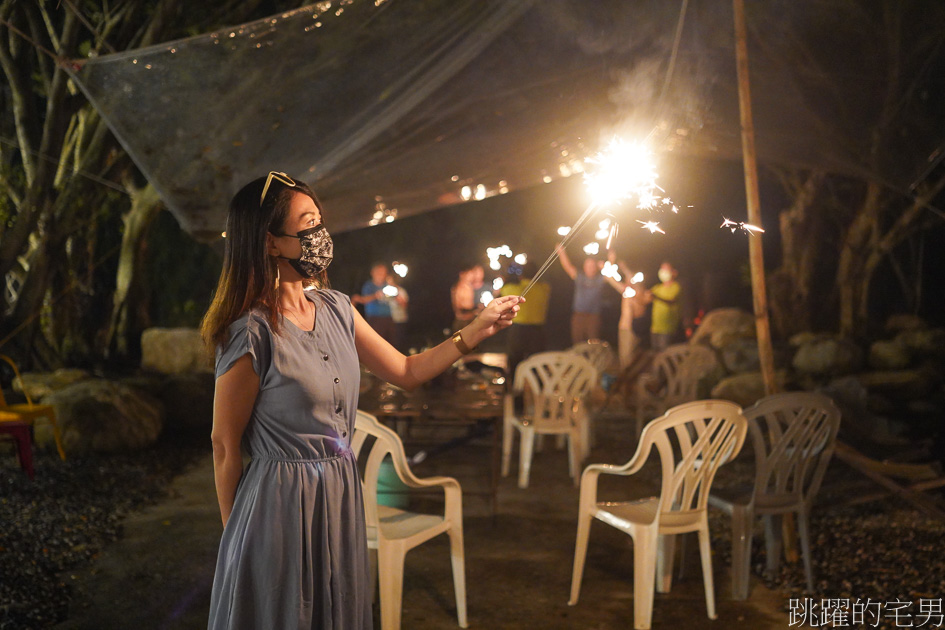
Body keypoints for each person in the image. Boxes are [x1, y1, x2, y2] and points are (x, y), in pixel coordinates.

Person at [200, 171, 522, 630]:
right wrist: (238, 541)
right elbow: (225, 445)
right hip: (278, 505)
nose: (320, 234)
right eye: (308, 222)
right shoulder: (251, 332)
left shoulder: (337, 308)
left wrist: (476, 331)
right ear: (271, 242)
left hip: (339, 491)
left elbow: (408, 372)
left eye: (320, 220)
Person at [499, 261, 550, 380]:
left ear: (521, 275)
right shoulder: (545, 288)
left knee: (515, 362)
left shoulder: (511, 289)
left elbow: (504, 290)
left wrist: (507, 278)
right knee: (538, 364)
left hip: (518, 330)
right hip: (538, 331)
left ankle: (516, 391)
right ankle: (539, 390)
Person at [602, 250, 647, 369]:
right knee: (625, 359)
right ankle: (627, 383)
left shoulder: (639, 293)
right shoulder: (626, 290)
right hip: (625, 329)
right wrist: (611, 260)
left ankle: (630, 383)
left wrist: (625, 269)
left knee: (631, 360)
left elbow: (639, 298)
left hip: (633, 329)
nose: (627, 279)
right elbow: (608, 277)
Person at [556, 244, 605, 345]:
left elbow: (611, 275)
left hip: (594, 316)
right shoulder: (580, 277)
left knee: (593, 342)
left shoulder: (600, 279)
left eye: (592, 266)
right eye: (588, 265)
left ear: (596, 268)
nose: (590, 268)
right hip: (578, 315)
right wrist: (561, 252)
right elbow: (568, 267)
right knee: (577, 342)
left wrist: (607, 264)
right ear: (584, 267)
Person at [352, 262, 395, 344]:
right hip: (374, 318)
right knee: (376, 342)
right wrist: (376, 295)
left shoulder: (388, 285)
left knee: (390, 342)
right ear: (373, 273)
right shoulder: (369, 285)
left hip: (388, 318)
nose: (381, 275)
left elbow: (395, 295)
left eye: (383, 272)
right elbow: (364, 300)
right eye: (379, 272)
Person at [645, 261, 683, 352]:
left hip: (668, 329)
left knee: (664, 355)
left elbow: (670, 300)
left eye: (666, 269)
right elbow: (645, 300)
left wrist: (655, 296)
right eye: (661, 269)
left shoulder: (676, 286)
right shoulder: (657, 287)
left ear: (674, 272)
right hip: (655, 328)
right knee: (655, 356)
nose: (663, 271)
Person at [450, 263, 485, 333]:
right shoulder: (460, 287)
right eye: (469, 274)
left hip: (469, 319)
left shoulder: (469, 287)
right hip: (463, 321)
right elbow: (460, 306)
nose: (472, 276)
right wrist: (474, 310)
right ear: (462, 274)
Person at [385, 272, 409, 352]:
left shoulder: (401, 291)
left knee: (400, 341)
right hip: (390, 320)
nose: (389, 282)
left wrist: (397, 297)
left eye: (390, 280)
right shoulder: (386, 291)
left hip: (401, 319)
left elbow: (405, 304)